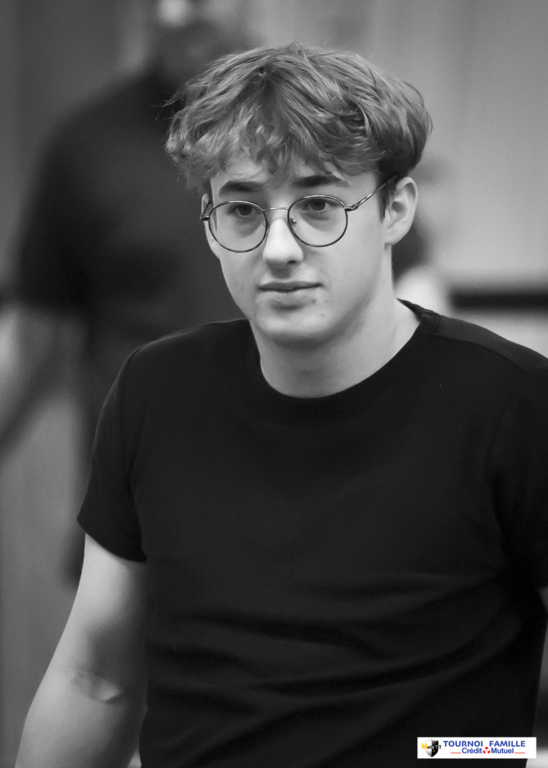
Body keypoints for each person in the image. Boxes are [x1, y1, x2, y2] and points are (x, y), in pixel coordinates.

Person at [15, 43, 548, 768]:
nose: (278, 248)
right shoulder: (156, 392)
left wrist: (479, 755)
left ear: (395, 210)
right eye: (242, 210)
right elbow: (94, 680)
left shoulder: (510, 403)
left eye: (319, 205)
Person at [0, 0, 252, 579]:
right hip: (136, 529)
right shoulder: (87, 143)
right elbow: (32, 335)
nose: (176, 12)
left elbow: (405, 288)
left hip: (292, 514)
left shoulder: (312, 131)